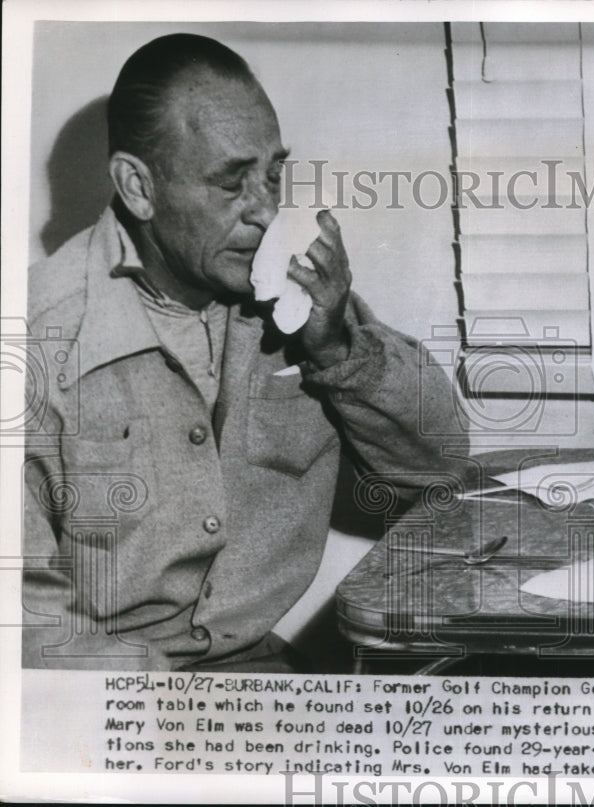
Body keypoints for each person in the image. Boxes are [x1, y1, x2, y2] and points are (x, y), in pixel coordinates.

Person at [22, 34, 467, 671]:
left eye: (274, 174)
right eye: (233, 184)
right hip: (103, 701)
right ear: (138, 186)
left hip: (258, 672)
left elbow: (438, 467)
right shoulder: (37, 335)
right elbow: (21, 617)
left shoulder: (288, 295)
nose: (267, 210)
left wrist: (339, 348)